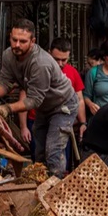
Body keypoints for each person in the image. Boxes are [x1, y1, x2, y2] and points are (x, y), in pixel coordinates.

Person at [0, 19, 78, 178]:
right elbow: (5, 82)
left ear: (33, 41)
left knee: (53, 150)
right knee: (39, 151)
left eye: (23, 41)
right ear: (10, 37)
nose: (17, 45)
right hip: (45, 107)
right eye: (14, 40)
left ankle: (58, 189)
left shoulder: (40, 63)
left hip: (63, 106)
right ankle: (40, 187)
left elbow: (34, 100)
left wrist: (7, 108)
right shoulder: (8, 54)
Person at [18, 37, 87, 165]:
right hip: (36, 118)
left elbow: (79, 99)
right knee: (40, 157)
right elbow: (24, 96)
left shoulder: (72, 72)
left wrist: (82, 122)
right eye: (56, 59)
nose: (60, 64)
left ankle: (56, 182)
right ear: (49, 53)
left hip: (60, 118)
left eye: (64, 60)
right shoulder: (38, 68)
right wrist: (23, 127)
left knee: (55, 155)